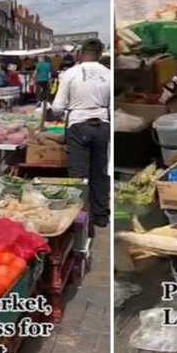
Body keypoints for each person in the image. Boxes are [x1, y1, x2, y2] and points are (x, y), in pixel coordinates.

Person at [49, 39, 110, 228]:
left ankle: (83, 219)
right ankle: (100, 216)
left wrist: (60, 110)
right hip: (102, 125)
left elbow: (58, 107)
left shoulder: (70, 74)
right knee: (99, 171)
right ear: (100, 54)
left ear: (81, 53)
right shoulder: (108, 73)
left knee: (79, 174)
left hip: (78, 125)